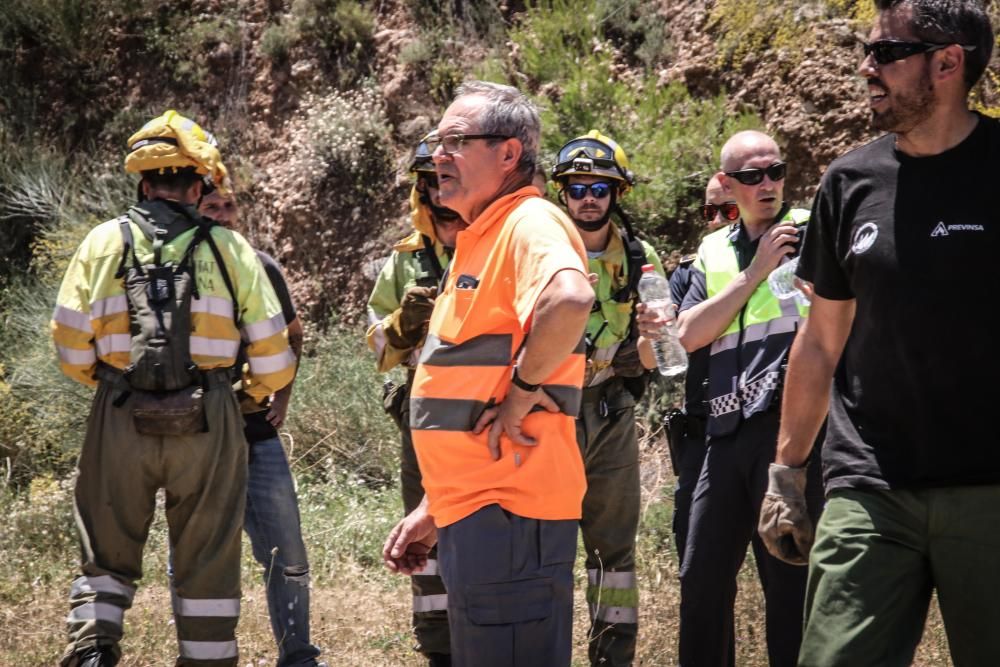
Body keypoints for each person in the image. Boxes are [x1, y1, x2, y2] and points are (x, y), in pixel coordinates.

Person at [757, 1, 1000, 664]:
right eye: (868, 52)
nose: (867, 69)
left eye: (887, 54)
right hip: (868, 487)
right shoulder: (850, 181)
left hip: (988, 489)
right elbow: (820, 340)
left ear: (948, 62)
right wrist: (786, 469)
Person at [52, 110, 296, 667]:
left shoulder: (101, 242)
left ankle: (91, 653)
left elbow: (68, 342)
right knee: (207, 556)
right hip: (209, 421)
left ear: (143, 183)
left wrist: (112, 383)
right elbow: (276, 357)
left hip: (119, 414)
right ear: (197, 185)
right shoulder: (231, 251)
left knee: (105, 553)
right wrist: (245, 398)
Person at [381, 80, 594, 667]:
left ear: (508, 153)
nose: (437, 155)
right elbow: (470, 386)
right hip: (479, 511)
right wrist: (437, 504)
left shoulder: (528, 221)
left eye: (455, 140)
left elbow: (571, 299)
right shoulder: (481, 236)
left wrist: (523, 395)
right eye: (435, 142)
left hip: (511, 513)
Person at [674, 130, 823, 667]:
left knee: (789, 580)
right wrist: (755, 271)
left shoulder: (816, 229)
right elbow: (686, 335)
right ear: (727, 184)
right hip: (723, 432)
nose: (768, 185)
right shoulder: (713, 249)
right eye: (752, 176)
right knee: (700, 578)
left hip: (792, 434)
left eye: (776, 171)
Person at [550, 129, 663, 667]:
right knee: (543, 545)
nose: (588, 197)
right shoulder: (540, 249)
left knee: (613, 553)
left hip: (609, 412)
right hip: (546, 412)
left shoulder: (640, 259)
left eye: (599, 186)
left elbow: (659, 353)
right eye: (577, 188)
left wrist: (647, 341)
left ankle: (612, 657)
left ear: (617, 193)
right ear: (562, 195)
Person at [198, 178, 322, 667]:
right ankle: (205, 654)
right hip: (203, 440)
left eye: (230, 206)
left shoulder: (261, 266)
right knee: (199, 555)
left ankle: (299, 657)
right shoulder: (179, 269)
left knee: (287, 554)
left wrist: (283, 398)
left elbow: (294, 335)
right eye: (213, 207)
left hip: (257, 431)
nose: (226, 215)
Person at [366, 135, 465, 667]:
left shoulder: (495, 243)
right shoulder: (405, 259)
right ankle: (437, 645)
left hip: (482, 412)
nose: (442, 194)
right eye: (431, 183)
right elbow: (377, 345)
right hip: (421, 416)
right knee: (420, 528)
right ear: (420, 191)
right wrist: (402, 327)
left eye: (448, 179)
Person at [666, 174, 739, 569]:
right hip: (702, 431)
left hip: (762, 428)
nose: (715, 222)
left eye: (726, 211)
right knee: (696, 563)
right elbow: (676, 346)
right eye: (709, 212)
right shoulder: (687, 273)